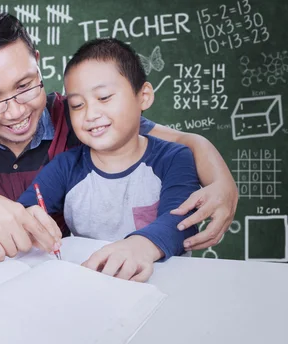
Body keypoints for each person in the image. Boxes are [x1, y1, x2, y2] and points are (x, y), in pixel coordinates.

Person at [0, 9, 238, 262]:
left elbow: (185, 142)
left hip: (56, 277)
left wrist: (223, 183)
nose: (16, 111)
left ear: (38, 63)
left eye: (26, 86)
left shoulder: (78, 115)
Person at [18, 38, 199, 282]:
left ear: (143, 96)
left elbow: (182, 221)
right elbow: (25, 209)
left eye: (104, 98)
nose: (90, 114)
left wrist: (139, 247)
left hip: (162, 283)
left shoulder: (175, 158)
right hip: (92, 284)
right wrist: (29, 219)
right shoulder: (65, 166)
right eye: (77, 105)